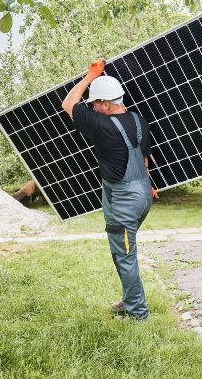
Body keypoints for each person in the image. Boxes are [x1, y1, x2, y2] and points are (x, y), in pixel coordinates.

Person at [62, 59, 157, 320]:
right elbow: (144, 158)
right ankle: (129, 299)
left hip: (125, 198)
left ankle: (139, 315)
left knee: (125, 255)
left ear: (106, 104)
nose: (91, 107)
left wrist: (89, 77)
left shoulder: (102, 125)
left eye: (94, 104)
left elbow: (68, 104)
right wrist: (148, 184)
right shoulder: (138, 120)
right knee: (120, 250)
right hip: (139, 190)